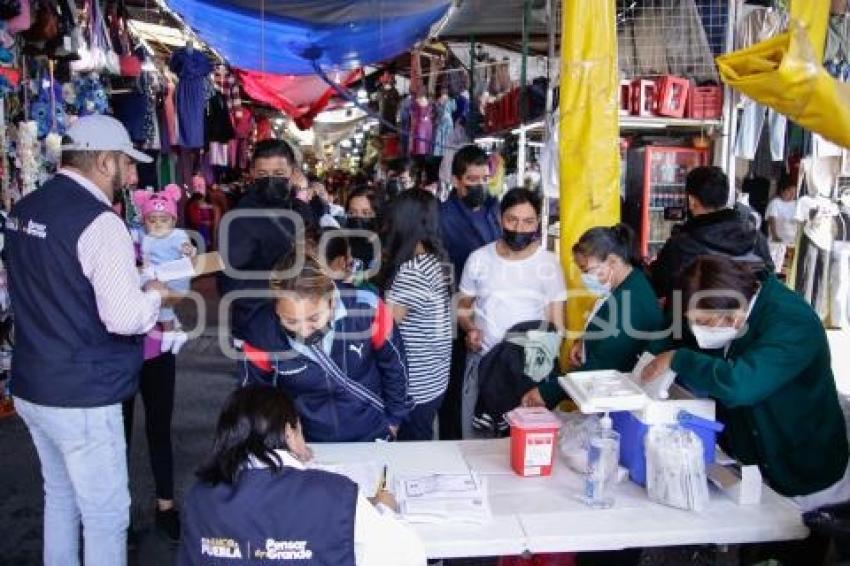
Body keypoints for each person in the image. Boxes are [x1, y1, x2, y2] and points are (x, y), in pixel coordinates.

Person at [4, 115, 170, 565]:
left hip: (33, 384)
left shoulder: (24, 210)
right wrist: (151, 295)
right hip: (82, 394)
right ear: (103, 162)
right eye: (127, 165)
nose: (134, 176)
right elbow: (125, 318)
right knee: (104, 516)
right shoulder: (101, 223)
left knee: (60, 499)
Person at [644, 255, 849, 564]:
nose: (699, 331)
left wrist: (679, 358)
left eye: (705, 324)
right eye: (693, 321)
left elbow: (740, 385)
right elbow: (683, 339)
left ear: (734, 313)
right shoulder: (727, 309)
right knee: (757, 548)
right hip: (756, 461)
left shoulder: (791, 322)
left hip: (802, 466)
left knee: (794, 546)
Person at [178, 385, 426, 566]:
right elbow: (408, 555)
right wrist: (386, 510)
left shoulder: (199, 499)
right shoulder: (336, 494)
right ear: (289, 432)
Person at [238, 252, 412, 442]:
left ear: (332, 301)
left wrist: (394, 419)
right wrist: (281, 437)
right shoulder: (260, 334)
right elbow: (256, 398)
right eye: (290, 321)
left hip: (373, 431)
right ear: (276, 310)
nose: (304, 332)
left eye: (314, 318)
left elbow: (395, 365)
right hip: (309, 443)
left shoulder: (368, 310)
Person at [458, 188, 566, 438]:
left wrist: (542, 368)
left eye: (528, 221)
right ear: (499, 218)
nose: (520, 228)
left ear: (538, 222)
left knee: (524, 443)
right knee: (479, 443)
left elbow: (556, 323)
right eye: (512, 220)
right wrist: (469, 328)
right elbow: (463, 307)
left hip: (529, 372)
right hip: (483, 362)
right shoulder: (478, 259)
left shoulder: (548, 263)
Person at [523, 224, 665, 409]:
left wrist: (547, 393)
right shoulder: (629, 284)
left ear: (612, 261)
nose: (584, 277)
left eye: (586, 270)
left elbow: (604, 365)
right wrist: (584, 342)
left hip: (623, 398)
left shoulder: (630, 300)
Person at [217, 139, 318, 340]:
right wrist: (286, 287)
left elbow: (308, 236)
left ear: (293, 173)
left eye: (279, 174)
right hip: (259, 326)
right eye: (263, 174)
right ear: (253, 173)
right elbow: (230, 283)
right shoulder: (240, 219)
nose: (271, 180)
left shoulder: (296, 205)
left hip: (298, 323)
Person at [438, 144, 501, 440]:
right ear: (456, 180)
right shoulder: (443, 217)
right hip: (456, 312)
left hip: (493, 309)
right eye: (472, 180)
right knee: (455, 384)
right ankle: (453, 444)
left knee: (489, 384)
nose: (479, 186)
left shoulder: (494, 209)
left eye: (484, 179)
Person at [378, 189, 452, 441]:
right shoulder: (435, 260)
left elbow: (384, 326)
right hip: (434, 378)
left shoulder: (413, 271)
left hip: (416, 388)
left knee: (410, 456)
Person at [649, 166, 774, 306]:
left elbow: (658, 287)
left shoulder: (680, 246)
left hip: (693, 323)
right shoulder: (756, 237)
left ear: (691, 200)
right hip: (747, 322)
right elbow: (768, 281)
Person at [133, 185, 193, 353]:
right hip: (154, 276)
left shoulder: (177, 235)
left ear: (173, 221)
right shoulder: (144, 233)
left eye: (164, 220)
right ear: (145, 221)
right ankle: (178, 331)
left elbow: (187, 247)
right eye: (152, 220)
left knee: (160, 302)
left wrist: (188, 250)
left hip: (174, 279)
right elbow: (131, 233)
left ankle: (169, 332)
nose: (158, 224)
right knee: (150, 297)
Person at [345, 186, 381, 278]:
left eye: (366, 213)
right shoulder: (343, 243)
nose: (358, 218)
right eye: (352, 212)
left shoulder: (386, 247)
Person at [766, 176, 799, 246]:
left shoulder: (796, 204)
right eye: (790, 192)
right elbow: (772, 220)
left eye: (794, 192)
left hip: (792, 242)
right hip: (777, 242)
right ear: (782, 191)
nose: (792, 195)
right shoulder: (775, 202)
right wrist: (775, 236)